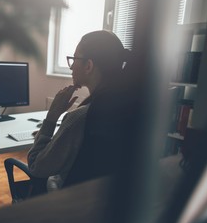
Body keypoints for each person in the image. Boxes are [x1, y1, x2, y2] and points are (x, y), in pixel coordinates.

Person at [28, 30, 140, 192]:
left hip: (69, 202)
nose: (72, 66)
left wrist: (51, 118)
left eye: (74, 59)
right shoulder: (128, 107)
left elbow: (37, 166)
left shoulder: (79, 118)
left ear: (88, 66)